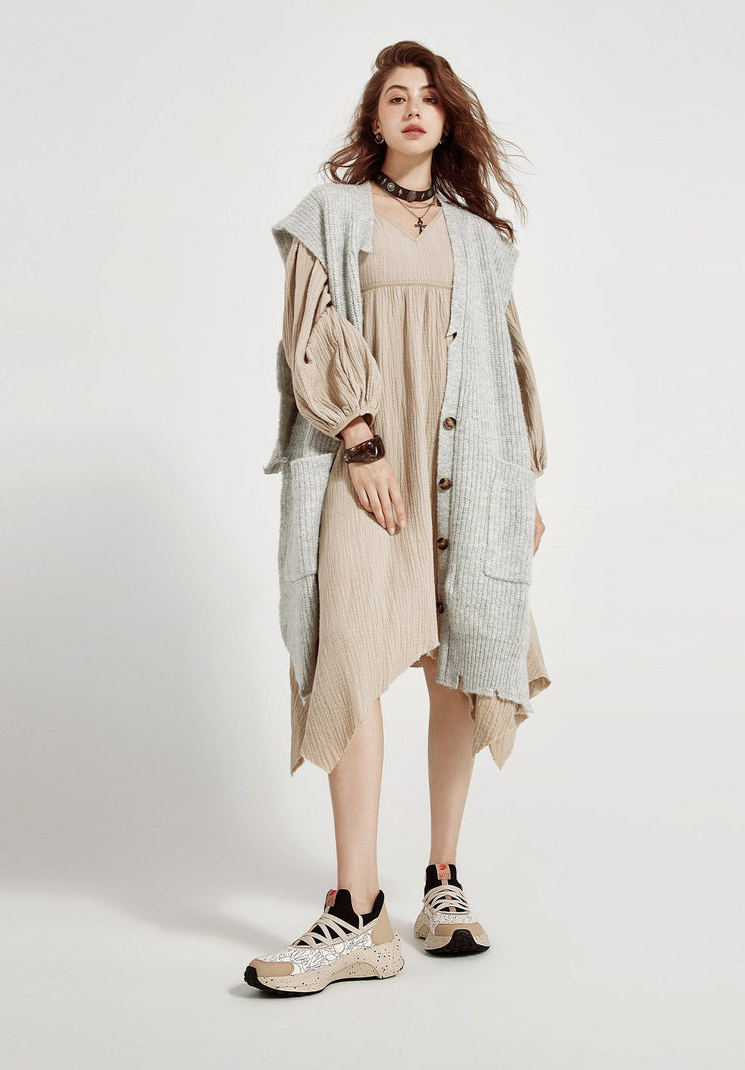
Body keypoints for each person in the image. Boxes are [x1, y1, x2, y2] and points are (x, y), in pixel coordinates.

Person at [245, 40, 551, 996]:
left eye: (429, 97)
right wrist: (361, 439)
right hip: (370, 465)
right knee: (350, 651)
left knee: (458, 661)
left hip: (471, 473)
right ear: (373, 120)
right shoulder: (332, 213)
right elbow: (310, 335)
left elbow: (501, 368)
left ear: (448, 119)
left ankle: (442, 880)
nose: (413, 108)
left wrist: (520, 489)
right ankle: (358, 912)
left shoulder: (482, 237)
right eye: (394, 97)